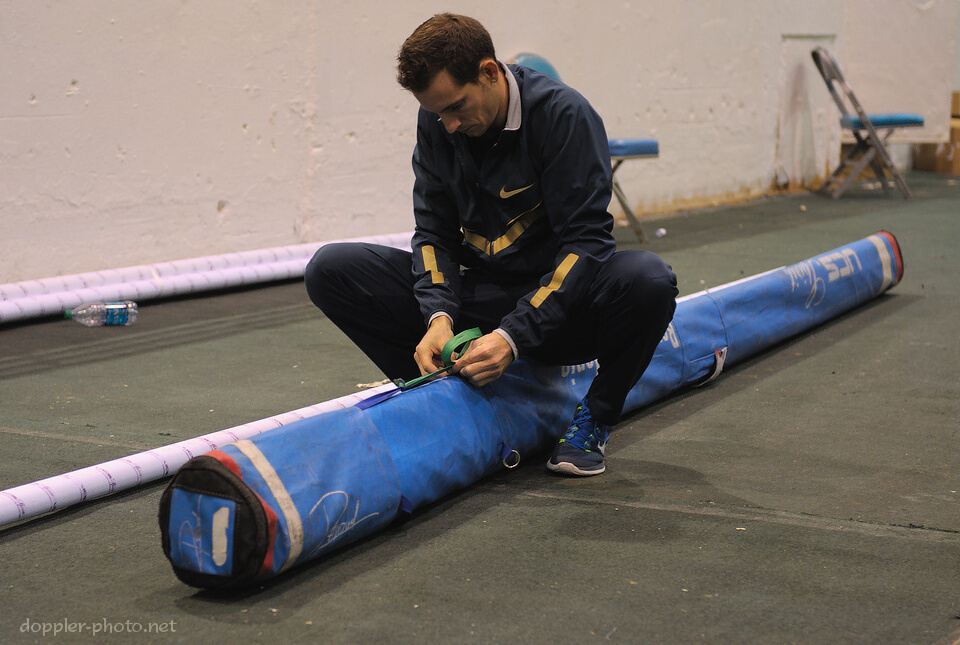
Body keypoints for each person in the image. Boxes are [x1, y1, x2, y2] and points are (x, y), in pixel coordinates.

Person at [305, 13, 678, 476]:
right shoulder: (441, 121)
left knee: (648, 281)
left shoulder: (564, 116)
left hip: (563, 313)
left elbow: (586, 245)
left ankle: (594, 419)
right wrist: (438, 317)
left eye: (456, 107)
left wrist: (512, 337)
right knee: (332, 268)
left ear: (489, 72)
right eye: (438, 113)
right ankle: (441, 394)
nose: (449, 125)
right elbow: (433, 233)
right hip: (483, 301)